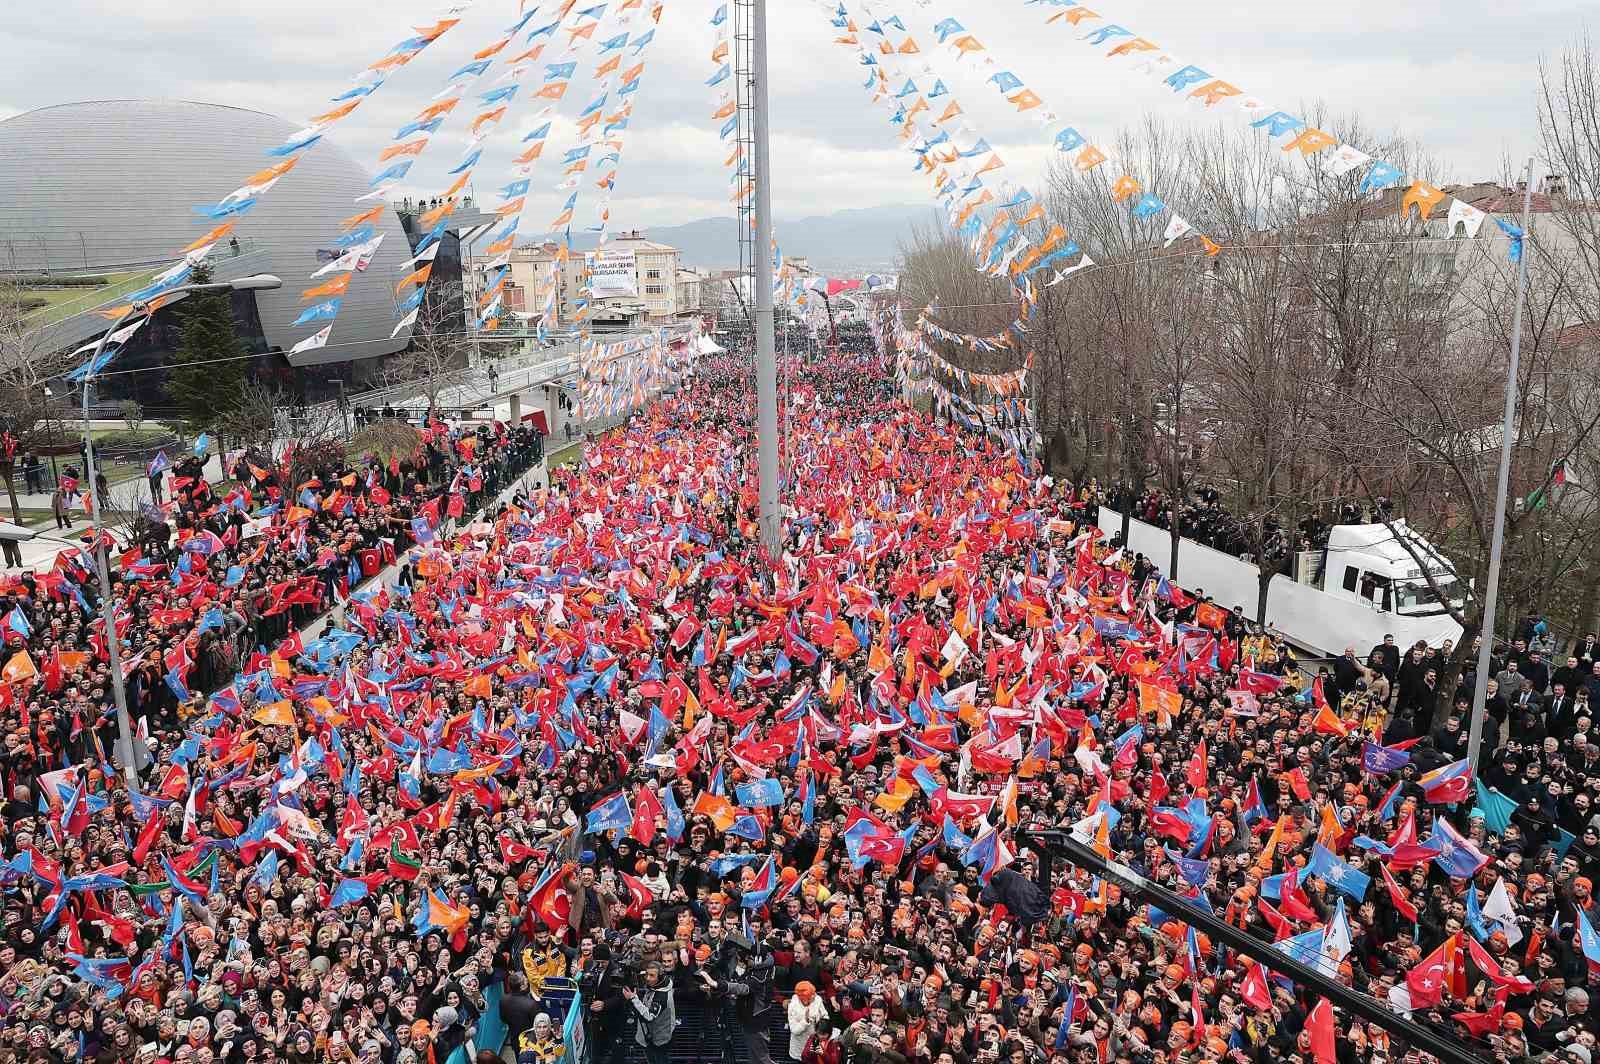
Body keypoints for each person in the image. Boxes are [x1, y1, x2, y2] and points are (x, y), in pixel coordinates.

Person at [624, 961, 675, 1064]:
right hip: (650, 1035)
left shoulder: (662, 996)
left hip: (659, 1038)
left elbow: (649, 1017)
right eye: (647, 974)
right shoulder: (656, 986)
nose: (647, 978)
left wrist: (634, 998)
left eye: (652, 975)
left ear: (660, 977)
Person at [787, 981, 829, 1062]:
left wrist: (822, 1022)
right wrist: (805, 1021)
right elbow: (794, 1030)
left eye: (814, 993)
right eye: (811, 995)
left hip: (814, 1048)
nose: (814, 996)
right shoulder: (793, 1006)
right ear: (804, 999)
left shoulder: (817, 1000)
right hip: (799, 1050)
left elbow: (825, 1016)